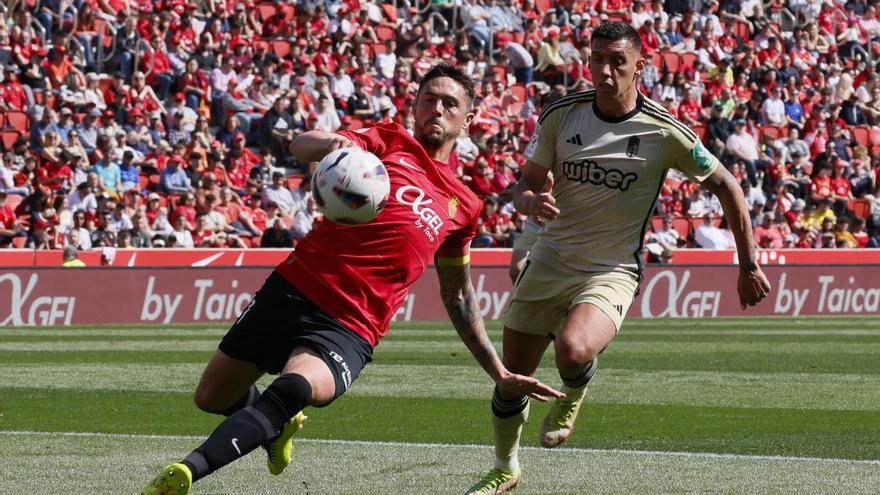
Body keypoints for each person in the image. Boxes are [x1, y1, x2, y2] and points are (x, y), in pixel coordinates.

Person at [142, 64, 562, 495]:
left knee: (295, 386)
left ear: (467, 119)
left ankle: (186, 472)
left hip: (351, 324)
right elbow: (301, 145)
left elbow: (457, 295)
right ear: (415, 105)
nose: (437, 108)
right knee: (211, 397)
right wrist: (333, 143)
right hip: (294, 287)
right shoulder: (388, 142)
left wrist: (499, 371)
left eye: (449, 103)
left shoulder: (465, 205)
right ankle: (277, 427)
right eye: (429, 99)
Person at [466, 22, 772, 495]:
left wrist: (747, 263)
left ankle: (574, 391)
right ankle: (506, 466)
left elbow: (729, 187)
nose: (604, 71)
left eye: (617, 62)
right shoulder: (561, 116)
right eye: (597, 60)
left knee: (573, 348)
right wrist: (529, 203)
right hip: (549, 260)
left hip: (611, 269)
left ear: (640, 67)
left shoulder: (665, 131)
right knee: (511, 381)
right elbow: (524, 186)